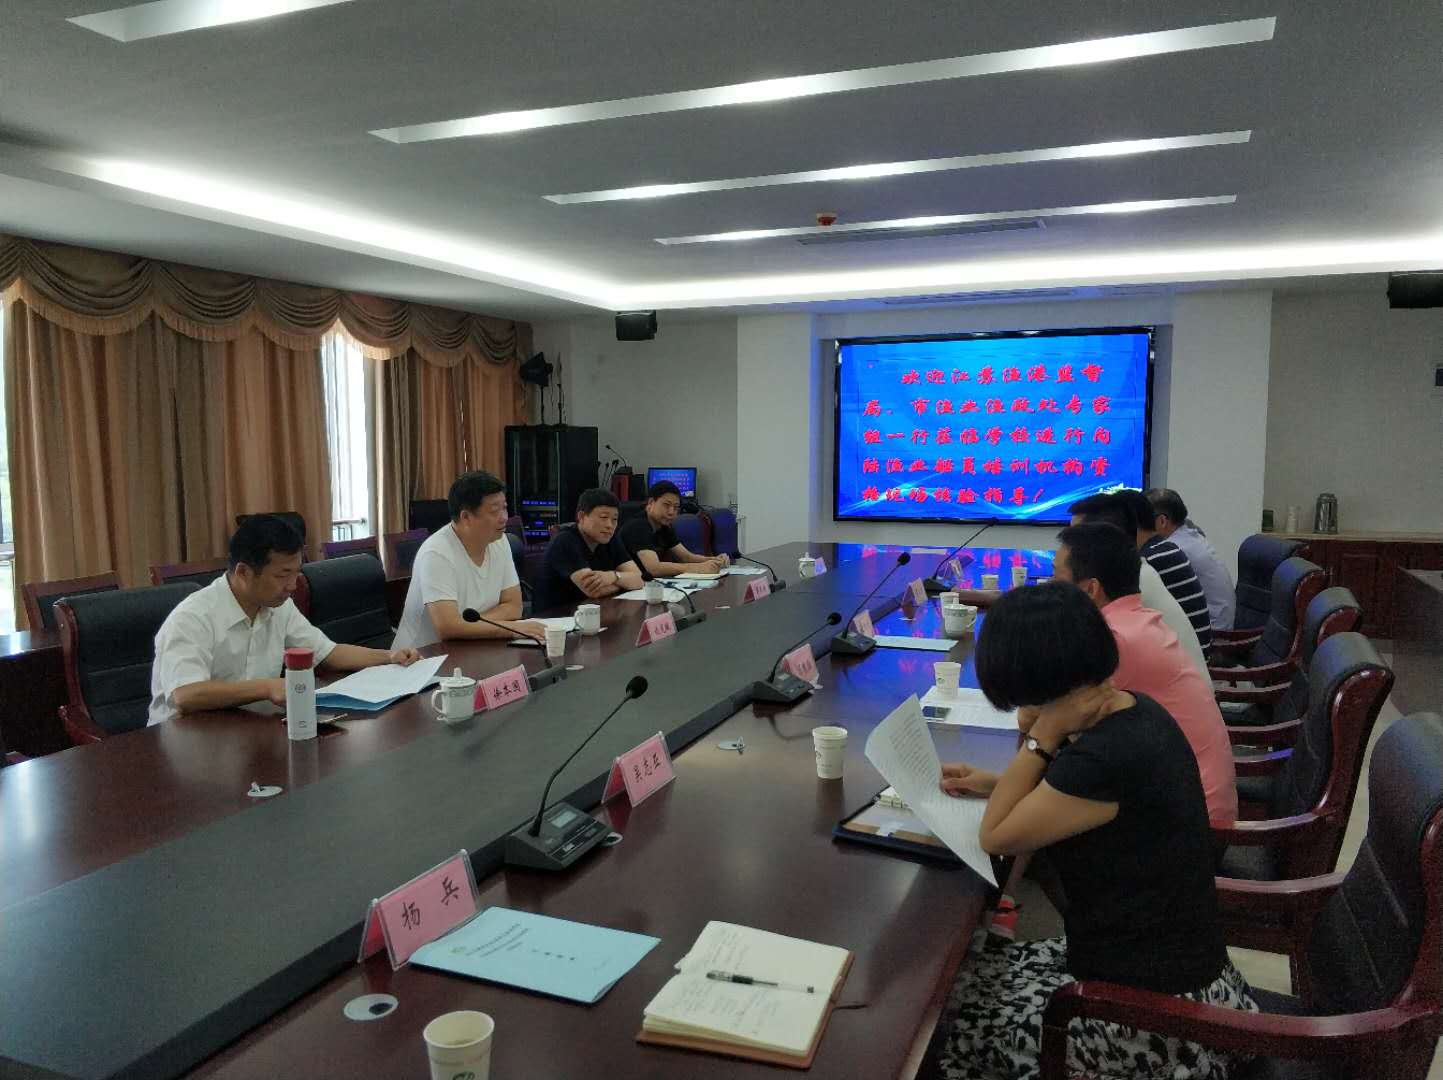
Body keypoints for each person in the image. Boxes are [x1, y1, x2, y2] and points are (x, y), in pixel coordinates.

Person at [934, 583, 1256, 1080]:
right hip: (1167, 972)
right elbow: (1079, 801)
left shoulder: (1103, 758)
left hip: (1154, 1019)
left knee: (949, 1032)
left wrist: (1041, 737)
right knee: (968, 978)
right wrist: (996, 781)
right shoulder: (1133, 710)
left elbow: (995, 836)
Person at [149, 515, 419, 725]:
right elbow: (186, 695)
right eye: (282, 575)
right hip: (182, 741)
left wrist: (389, 657)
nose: (292, 585)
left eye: (296, 573)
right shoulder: (193, 618)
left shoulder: (278, 606)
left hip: (246, 728)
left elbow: (328, 653)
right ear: (243, 572)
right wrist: (266, 688)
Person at [1053, 523, 1236, 827]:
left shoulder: (1117, 639)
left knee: (1021, 834)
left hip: (1190, 824)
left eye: (1056, 577)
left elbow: (1056, 722)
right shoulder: (1135, 620)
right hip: (1181, 797)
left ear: (1091, 589)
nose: (1049, 586)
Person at [392, 471, 546, 650]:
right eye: (494, 511)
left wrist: (466, 626)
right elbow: (447, 627)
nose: (504, 517)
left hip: (472, 646)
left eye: (504, 508)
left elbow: (514, 606)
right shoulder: (436, 553)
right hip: (423, 657)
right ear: (465, 517)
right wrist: (512, 629)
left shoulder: (500, 541)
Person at [1066, 494, 1209, 676]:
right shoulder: (1159, 552)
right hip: (1190, 669)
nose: (1069, 546)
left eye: (1076, 538)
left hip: (1179, 676)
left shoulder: (1138, 571)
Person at [532, 488, 645, 612]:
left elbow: (639, 579)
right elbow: (594, 591)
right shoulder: (565, 541)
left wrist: (613, 576)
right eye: (603, 517)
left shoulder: (610, 539)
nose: (610, 525)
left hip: (590, 611)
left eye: (614, 519)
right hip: (555, 617)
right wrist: (625, 583)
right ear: (581, 516)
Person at [1147, 487, 1236, 631]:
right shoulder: (1189, 534)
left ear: (1162, 521)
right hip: (1217, 622)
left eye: (1142, 521)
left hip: (1214, 632)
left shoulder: (1174, 550)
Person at [620, 480, 728, 579]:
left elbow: (687, 557)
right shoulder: (637, 526)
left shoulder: (664, 526)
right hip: (625, 587)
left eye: (676, 507)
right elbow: (653, 568)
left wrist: (715, 560)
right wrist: (697, 568)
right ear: (651, 503)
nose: (671, 512)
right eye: (666, 505)